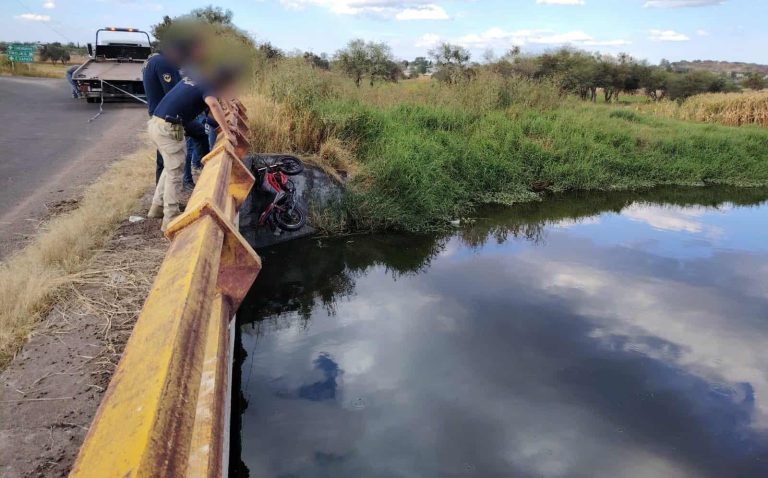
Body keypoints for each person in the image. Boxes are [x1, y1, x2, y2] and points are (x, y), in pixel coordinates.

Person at [147, 70, 238, 231]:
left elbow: (211, 108)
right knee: (175, 173)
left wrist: (225, 123)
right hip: (169, 128)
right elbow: (214, 104)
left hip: (156, 124)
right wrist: (228, 133)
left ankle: (157, 207)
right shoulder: (210, 85)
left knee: (169, 168)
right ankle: (171, 217)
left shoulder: (198, 77)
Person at [142, 42, 188, 183]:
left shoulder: (153, 60)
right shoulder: (164, 63)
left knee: (163, 157)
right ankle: (166, 200)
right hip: (168, 118)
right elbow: (174, 94)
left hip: (158, 115)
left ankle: (161, 196)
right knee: (171, 160)